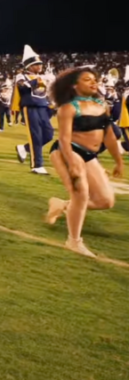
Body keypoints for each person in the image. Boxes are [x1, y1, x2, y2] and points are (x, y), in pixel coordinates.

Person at [43, 68, 124, 258]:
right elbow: (64, 139)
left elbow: (110, 136)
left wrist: (118, 161)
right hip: (67, 151)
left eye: (94, 79)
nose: (93, 82)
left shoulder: (102, 105)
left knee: (106, 201)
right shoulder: (68, 108)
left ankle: (62, 205)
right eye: (87, 80)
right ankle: (74, 241)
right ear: (74, 85)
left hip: (89, 155)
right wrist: (71, 162)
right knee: (81, 192)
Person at [14, 45, 53, 175]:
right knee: (35, 136)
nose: (40, 66)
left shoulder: (43, 76)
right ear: (29, 66)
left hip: (43, 107)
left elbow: (45, 93)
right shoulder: (21, 76)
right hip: (30, 107)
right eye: (37, 64)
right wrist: (38, 80)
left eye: (40, 64)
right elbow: (23, 87)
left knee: (48, 134)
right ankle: (37, 165)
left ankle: (24, 148)